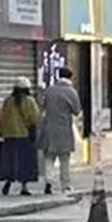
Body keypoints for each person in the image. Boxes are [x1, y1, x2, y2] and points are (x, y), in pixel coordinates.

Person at [39, 68, 83, 196]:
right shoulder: (71, 92)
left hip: (48, 128)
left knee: (49, 157)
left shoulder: (49, 90)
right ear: (70, 77)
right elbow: (77, 111)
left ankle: (49, 181)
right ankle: (65, 185)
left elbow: (43, 106)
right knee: (64, 159)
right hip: (64, 129)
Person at [0, 81, 42, 196]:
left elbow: (2, 117)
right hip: (24, 135)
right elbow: (35, 118)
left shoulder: (8, 101)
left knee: (10, 160)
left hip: (9, 135)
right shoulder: (29, 101)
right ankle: (24, 186)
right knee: (25, 162)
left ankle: (8, 182)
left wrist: (0, 131)